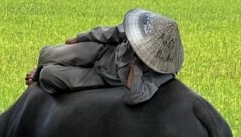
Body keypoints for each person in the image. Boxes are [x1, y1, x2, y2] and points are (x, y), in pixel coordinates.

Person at [26, 8, 184, 105]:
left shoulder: (163, 73)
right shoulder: (144, 28)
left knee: (48, 74)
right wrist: (81, 38)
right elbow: (112, 33)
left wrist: (137, 65)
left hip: (104, 77)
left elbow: (136, 95)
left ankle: (39, 76)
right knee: (46, 53)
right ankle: (40, 70)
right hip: (103, 51)